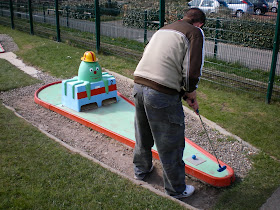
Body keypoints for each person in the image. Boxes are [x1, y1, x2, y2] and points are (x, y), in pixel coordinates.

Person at [132, 8, 206, 199]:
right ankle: (176, 190)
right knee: (170, 143)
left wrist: (183, 91)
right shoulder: (194, 33)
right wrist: (190, 91)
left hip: (139, 84)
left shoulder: (164, 29)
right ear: (200, 24)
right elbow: (191, 71)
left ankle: (141, 171)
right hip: (161, 93)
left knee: (143, 134)